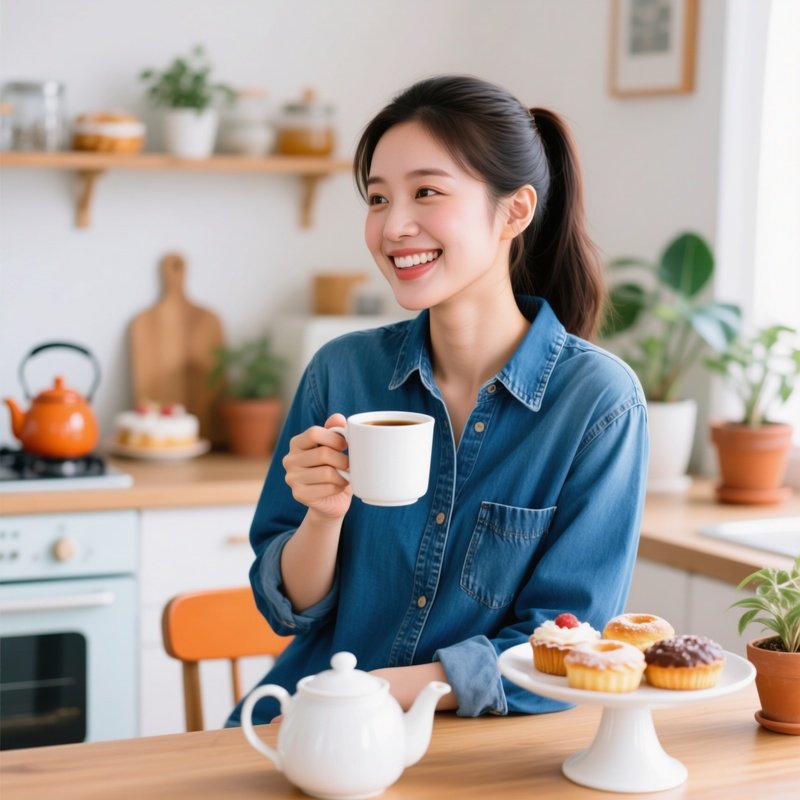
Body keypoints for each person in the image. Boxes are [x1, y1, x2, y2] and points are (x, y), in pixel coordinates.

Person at [226, 75, 648, 726]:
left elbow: (567, 645)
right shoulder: (341, 373)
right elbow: (287, 607)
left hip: (470, 753)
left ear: (514, 211)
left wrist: (374, 691)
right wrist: (322, 517)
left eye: (427, 192)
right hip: (311, 728)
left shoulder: (596, 403)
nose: (393, 226)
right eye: (376, 198)